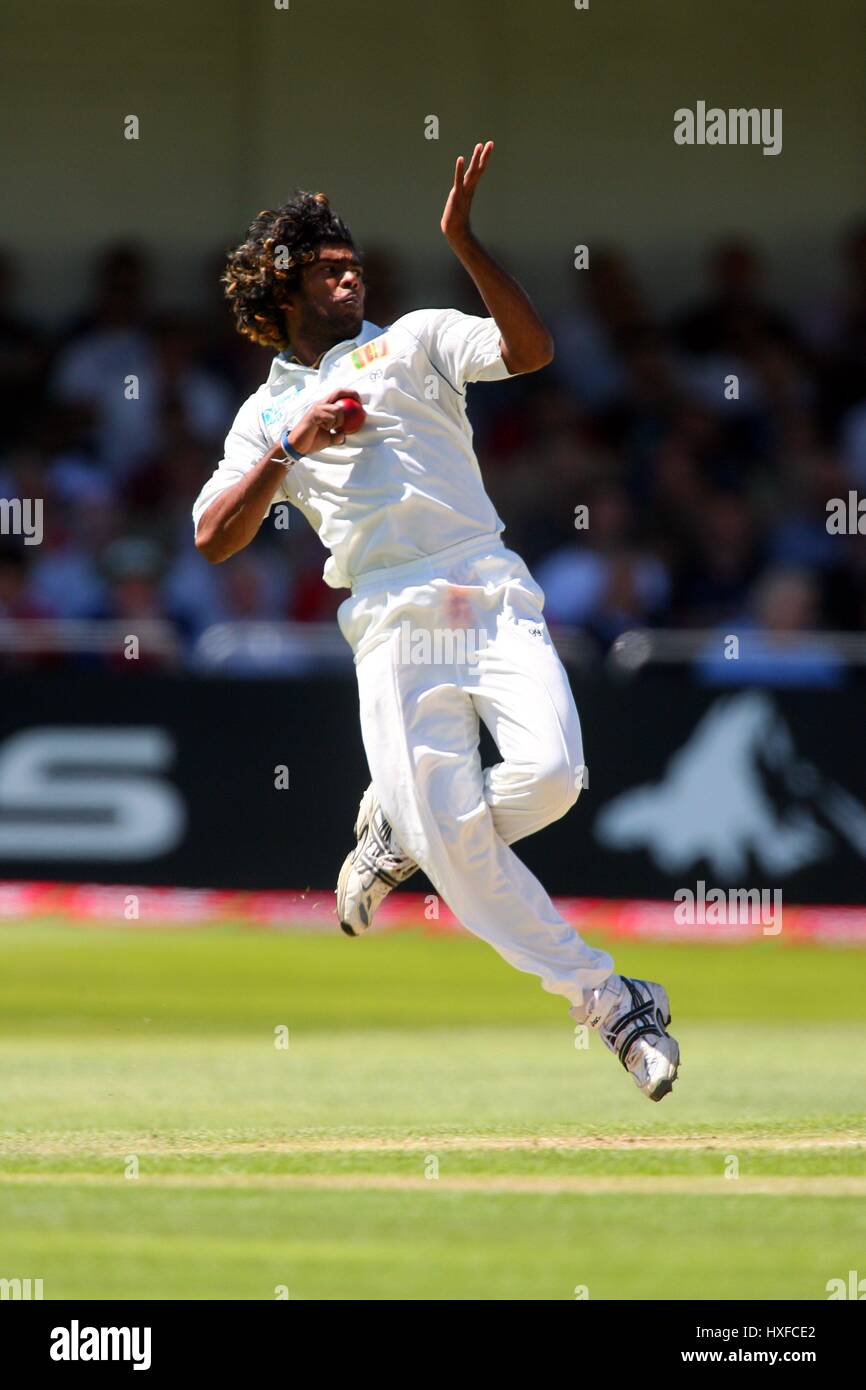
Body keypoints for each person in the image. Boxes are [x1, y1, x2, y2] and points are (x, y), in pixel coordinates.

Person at [192, 143, 680, 1101]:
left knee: (552, 777)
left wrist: (464, 240)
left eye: (353, 261)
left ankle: (405, 836)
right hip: (388, 618)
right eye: (328, 266)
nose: (350, 273)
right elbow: (212, 536)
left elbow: (529, 352)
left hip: (483, 585)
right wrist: (293, 445)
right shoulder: (265, 414)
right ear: (282, 288)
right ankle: (615, 1003)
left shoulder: (412, 338)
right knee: (459, 843)